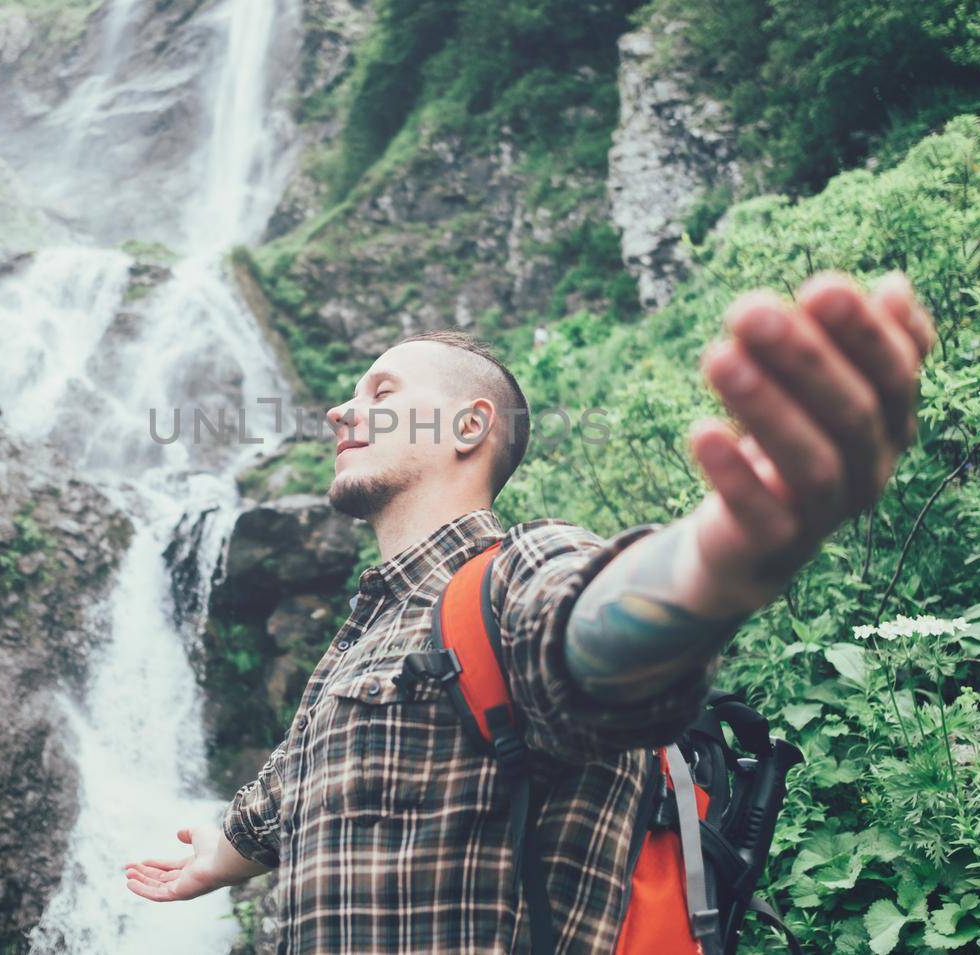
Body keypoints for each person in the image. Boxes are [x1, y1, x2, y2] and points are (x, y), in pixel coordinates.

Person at [127, 271, 935, 952]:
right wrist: (220, 855)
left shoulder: (518, 573)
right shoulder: (361, 643)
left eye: (381, 391)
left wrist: (714, 560)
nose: (341, 410)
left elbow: (589, 628)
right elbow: (282, 795)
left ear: (470, 426)